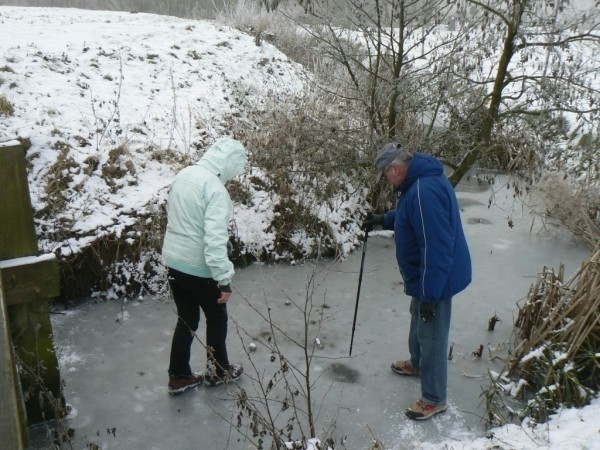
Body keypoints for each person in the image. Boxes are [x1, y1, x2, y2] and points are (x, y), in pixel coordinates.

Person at [362, 142, 472, 420]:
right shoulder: (418, 184)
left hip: (436, 277)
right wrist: (383, 219)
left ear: (395, 168)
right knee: (418, 318)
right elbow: (412, 216)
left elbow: (436, 247)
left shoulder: (424, 190)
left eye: (385, 175)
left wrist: (429, 294)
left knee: (431, 330)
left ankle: (435, 398)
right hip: (427, 275)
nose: (386, 181)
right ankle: (417, 363)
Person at [162, 137, 247, 395]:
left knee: (186, 320)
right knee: (217, 318)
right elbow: (213, 241)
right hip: (200, 269)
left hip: (175, 262)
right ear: (229, 165)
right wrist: (223, 279)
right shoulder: (216, 191)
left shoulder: (184, 175)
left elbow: (176, 219)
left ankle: (178, 376)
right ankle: (219, 371)